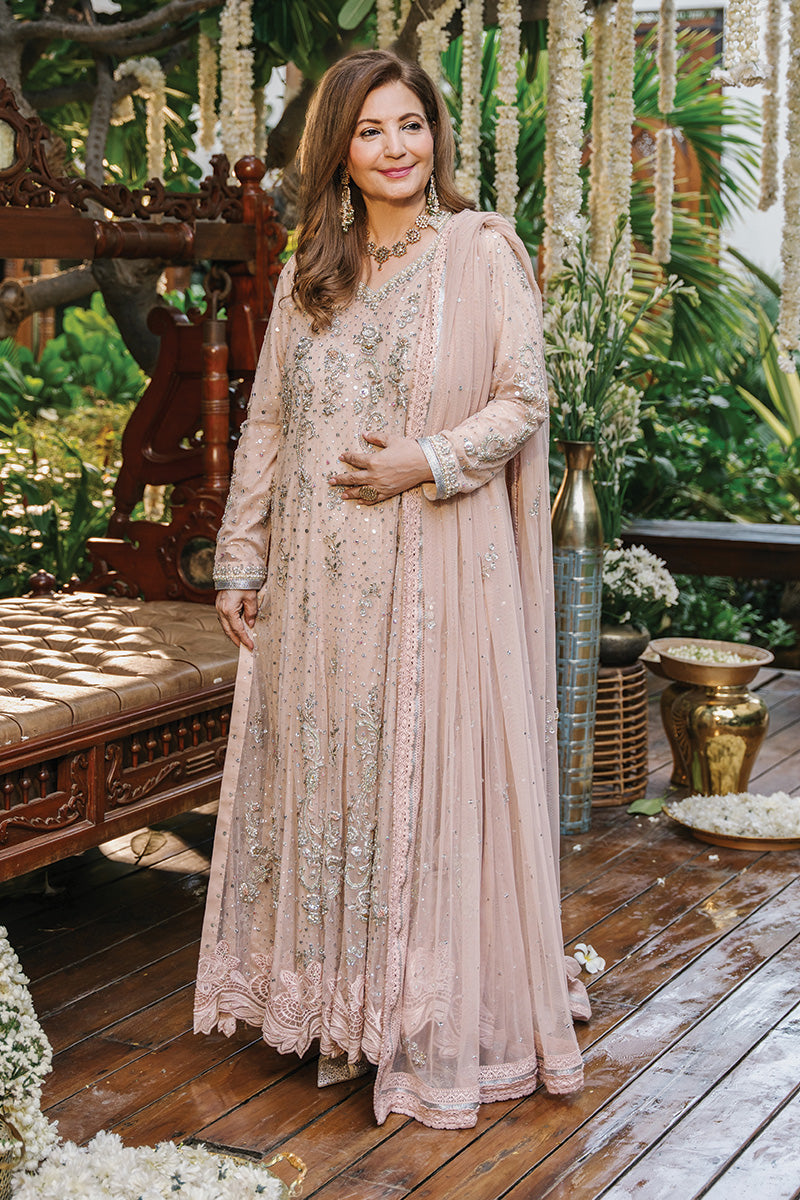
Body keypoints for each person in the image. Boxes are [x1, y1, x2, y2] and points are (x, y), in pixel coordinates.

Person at [194, 47, 590, 1131]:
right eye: (370, 130)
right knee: (335, 778)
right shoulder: (312, 270)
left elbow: (523, 398)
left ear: (435, 134)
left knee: (421, 782)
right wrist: (242, 555)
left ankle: (420, 1015)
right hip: (320, 582)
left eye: (410, 123)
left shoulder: (478, 251)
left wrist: (429, 459)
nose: (395, 146)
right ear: (339, 150)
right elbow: (271, 418)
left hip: (432, 569)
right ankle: (341, 1007)